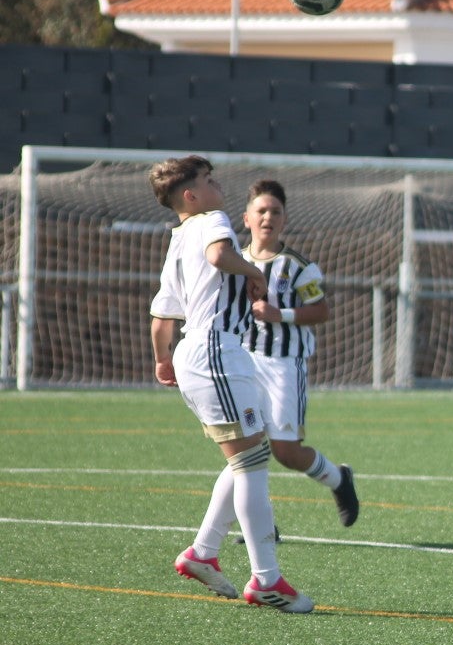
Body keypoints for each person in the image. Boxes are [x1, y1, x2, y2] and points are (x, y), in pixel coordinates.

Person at [148, 155, 312, 613]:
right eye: (209, 180)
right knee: (253, 466)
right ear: (191, 196)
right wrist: (254, 271)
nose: (218, 186)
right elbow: (222, 255)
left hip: (197, 351)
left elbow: (162, 318)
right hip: (217, 350)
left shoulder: (177, 240)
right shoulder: (211, 220)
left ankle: (203, 552)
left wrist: (164, 360)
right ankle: (267, 581)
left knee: (248, 456)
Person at [241, 179, 359, 528]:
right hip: (243, 362)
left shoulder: (297, 267)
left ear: (284, 219)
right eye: (260, 211)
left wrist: (280, 315)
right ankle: (263, 525)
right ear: (246, 218)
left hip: (283, 365)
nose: (267, 217)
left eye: (275, 211)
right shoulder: (234, 261)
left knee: (286, 452)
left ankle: (339, 480)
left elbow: (321, 311)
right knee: (246, 445)